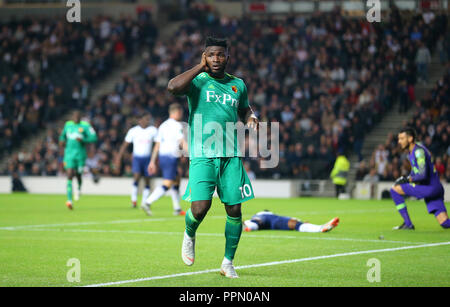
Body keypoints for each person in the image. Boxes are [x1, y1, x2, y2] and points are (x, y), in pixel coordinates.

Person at [167, 37, 259, 278]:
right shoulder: (197, 81)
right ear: (204, 56)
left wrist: (251, 117)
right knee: (200, 209)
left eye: (220, 55)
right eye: (211, 55)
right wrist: (200, 67)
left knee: (235, 210)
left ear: (228, 57)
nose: (216, 59)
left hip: (231, 155)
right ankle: (189, 232)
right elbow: (173, 87)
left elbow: (245, 108)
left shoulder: (237, 84)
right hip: (202, 154)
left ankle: (228, 262)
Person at [390, 127, 449, 230]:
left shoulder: (418, 152)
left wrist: (407, 180)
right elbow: (416, 172)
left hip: (430, 188)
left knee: (394, 190)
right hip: (435, 188)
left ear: (410, 138)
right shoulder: (413, 152)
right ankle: (407, 224)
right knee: (445, 223)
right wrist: (408, 177)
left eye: (402, 138)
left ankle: (408, 224)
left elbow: (422, 175)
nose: (399, 141)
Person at [142, 103, 187, 216]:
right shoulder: (177, 125)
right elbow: (181, 141)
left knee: (177, 179)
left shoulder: (162, 126)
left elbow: (157, 145)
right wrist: (191, 154)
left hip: (163, 156)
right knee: (167, 183)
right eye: (180, 112)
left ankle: (177, 208)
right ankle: (147, 202)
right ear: (176, 112)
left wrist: (152, 161)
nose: (181, 114)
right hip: (170, 157)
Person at [115, 114, 158, 208]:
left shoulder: (153, 130)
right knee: (136, 177)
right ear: (140, 120)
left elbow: (157, 144)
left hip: (148, 159)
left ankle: (144, 202)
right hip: (137, 158)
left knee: (147, 180)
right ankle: (134, 200)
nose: (147, 121)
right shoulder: (133, 131)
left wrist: (155, 159)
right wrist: (119, 157)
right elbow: (125, 145)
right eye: (145, 119)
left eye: (148, 119)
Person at [59, 110, 97, 210]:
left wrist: (84, 140)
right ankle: (69, 200)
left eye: (78, 116)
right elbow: (62, 136)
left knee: (79, 173)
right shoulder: (68, 125)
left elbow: (94, 137)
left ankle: (79, 188)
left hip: (80, 155)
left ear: (80, 117)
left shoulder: (85, 125)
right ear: (72, 117)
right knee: (70, 174)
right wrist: (62, 141)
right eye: (74, 116)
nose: (76, 117)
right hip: (69, 154)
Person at [244, 211, 339, 233]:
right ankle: (319, 228)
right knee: (295, 224)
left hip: (258, 221)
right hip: (272, 221)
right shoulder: (268, 213)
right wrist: (300, 221)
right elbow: (288, 218)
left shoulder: (257, 215)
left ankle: (247, 227)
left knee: (256, 223)